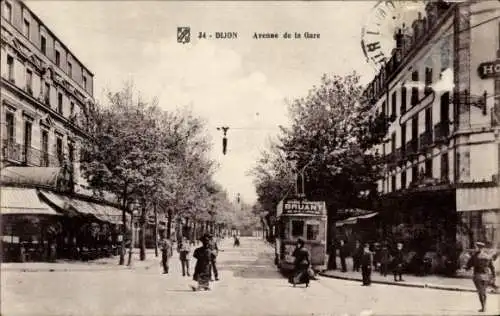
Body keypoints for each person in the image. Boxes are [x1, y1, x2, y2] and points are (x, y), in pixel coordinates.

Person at [466, 241, 496, 313]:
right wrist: (494, 276)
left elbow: (468, 265)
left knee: (480, 292)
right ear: (483, 248)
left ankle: (483, 307)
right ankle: (484, 306)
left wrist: (466, 267)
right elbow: (492, 267)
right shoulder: (487, 256)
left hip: (477, 276)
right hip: (486, 276)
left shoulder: (475, 256)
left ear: (477, 247)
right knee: (484, 292)